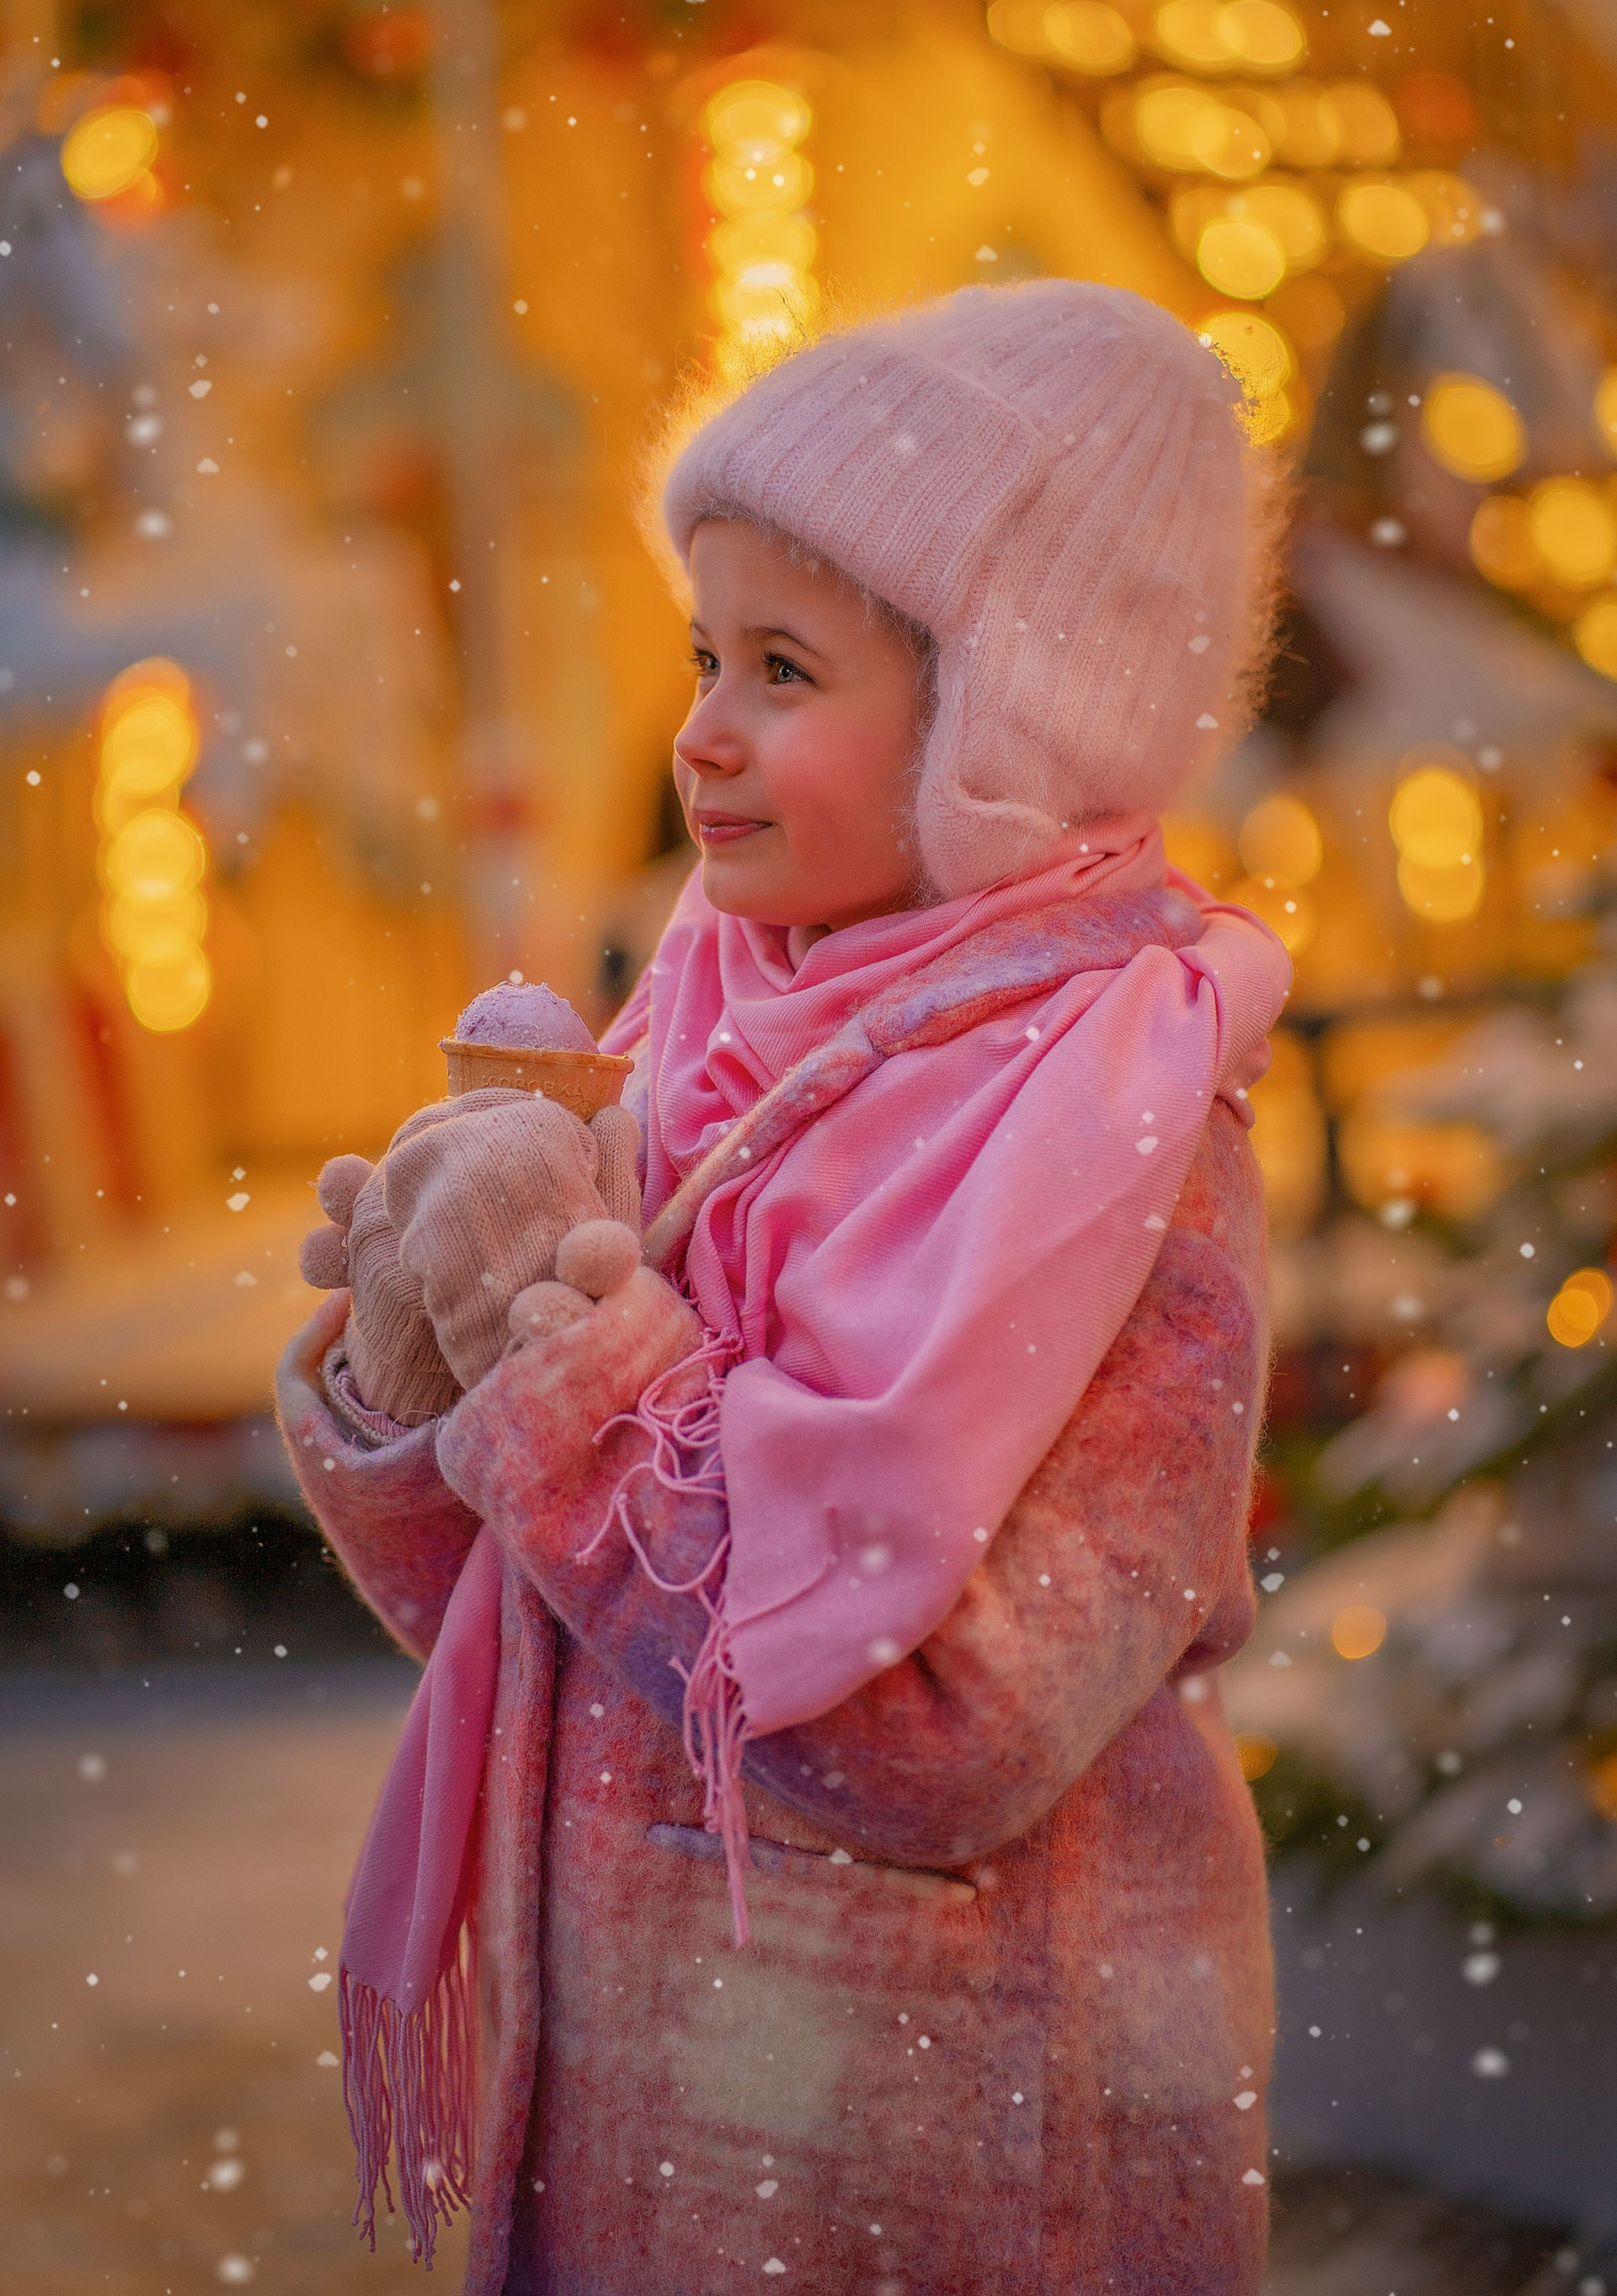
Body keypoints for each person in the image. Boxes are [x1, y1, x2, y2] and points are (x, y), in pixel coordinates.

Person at [275, 278, 1293, 2296]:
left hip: (948, 2142)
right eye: (700, 650)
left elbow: (930, 1732)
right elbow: (534, 1626)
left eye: (784, 669)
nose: (699, 732)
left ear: (1007, 724)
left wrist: (553, 1350)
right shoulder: (709, 1025)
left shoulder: (1111, 1137)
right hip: (661, 2120)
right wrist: (418, 1355)